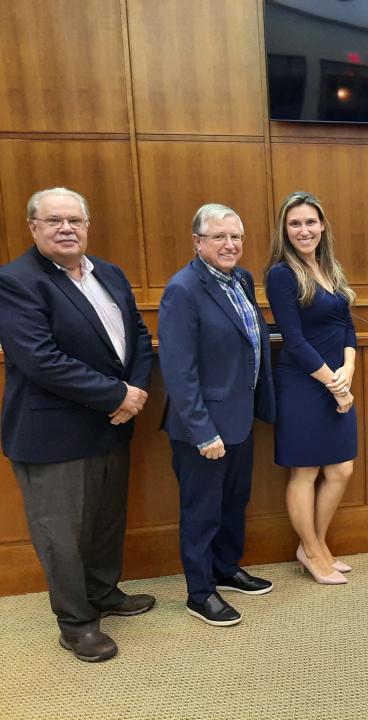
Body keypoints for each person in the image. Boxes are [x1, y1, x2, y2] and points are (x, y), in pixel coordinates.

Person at [0, 187, 154, 662]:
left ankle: (103, 593)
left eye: (75, 220)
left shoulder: (108, 273)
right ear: (34, 227)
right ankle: (76, 623)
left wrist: (134, 396)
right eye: (54, 221)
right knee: (61, 534)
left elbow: (141, 337)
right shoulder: (17, 280)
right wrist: (117, 394)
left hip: (112, 423)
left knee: (105, 523)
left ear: (87, 225)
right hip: (52, 433)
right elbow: (40, 359)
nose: (66, 228)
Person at [159, 203, 276, 625]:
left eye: (236, 237)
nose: (230, 245)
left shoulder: (240, 279)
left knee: (233, 500)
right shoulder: (183, 289)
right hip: (202, 427)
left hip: (238, 417)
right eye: (219, 237)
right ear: (197, 242)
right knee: (201, 509)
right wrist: (202, 431)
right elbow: (178, 369)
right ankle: (199, 592)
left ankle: (225, 568)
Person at [265, 191, 357, 585]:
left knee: (340, 469)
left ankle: (314, 544)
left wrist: (349, 368)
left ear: (322, 226)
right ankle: (313, 550)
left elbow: (348, 325)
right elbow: (295, 340)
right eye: (295, 223)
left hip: (338, 380)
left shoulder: (329, 268)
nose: (304, 230)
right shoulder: (281, 274)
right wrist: (334, 384)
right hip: (303, 384)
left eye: (310, 222)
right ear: (285, 230)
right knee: (305, 471)